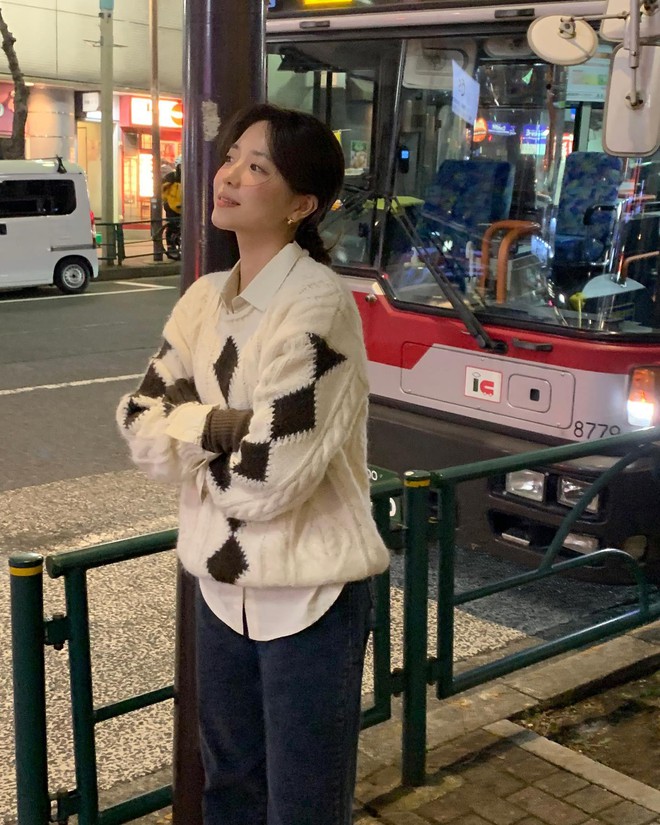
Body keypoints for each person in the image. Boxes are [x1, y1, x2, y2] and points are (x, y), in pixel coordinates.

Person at [116, 103, 390, 825]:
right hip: (220, 586)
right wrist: (229, 428)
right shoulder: (204, 300)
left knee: (304, 805)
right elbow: (138, 422)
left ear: (302, 204)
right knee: (228, 790)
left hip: (310, 595)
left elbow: (268, 479)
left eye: (257, 166)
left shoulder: (319, 303)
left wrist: (192, 430)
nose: (230, 174)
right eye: (233, 156)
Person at [161, 159, 182, 253]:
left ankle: (176, 246)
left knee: (180, 227)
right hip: (171, 206)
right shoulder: (171, 177)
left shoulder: (189, 177)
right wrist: (166, 201)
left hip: (182, 206)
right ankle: (171, 247)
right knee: (172, 226)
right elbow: (163, 190)